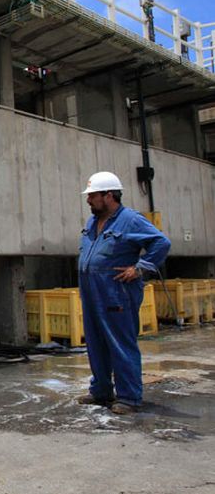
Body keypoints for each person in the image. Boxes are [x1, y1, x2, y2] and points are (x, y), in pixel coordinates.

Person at [77, 171, 170, 414]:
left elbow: (161, 242)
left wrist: (140, 268)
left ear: (109, 196)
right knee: (96, 344)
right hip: (91, 292)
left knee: (120, 343)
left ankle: (129, 397)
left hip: (115, 292)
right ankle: (101, 391)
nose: (88, 200)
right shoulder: (92, 222)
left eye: (93, 196)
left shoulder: (130, 219)